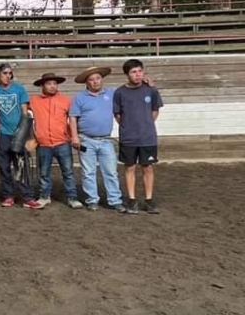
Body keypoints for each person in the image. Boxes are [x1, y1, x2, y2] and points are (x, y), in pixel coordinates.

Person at [69, 67, 127, 212]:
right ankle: (92, 200)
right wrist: (74, 136)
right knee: (88, 171)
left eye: (97, 78)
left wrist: (146, 82)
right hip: (86, 139)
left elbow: (129, 89)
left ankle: (115, 200)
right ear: (87, 83)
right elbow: (73, 117)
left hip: (106, 140)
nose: (95, 82)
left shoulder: (112, 93)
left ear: (101, 79)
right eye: (91, 80)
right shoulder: (79, 98)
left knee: (111, 171)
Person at [0, 63, 41, 209]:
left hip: (18, 133)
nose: (7, 76)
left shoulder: (19, 89)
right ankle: (8, 195)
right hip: (1, 134)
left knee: (23, 166)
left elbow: (24, 111)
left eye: (10, 73)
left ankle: (28, 197)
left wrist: (24, 133)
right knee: (4, 166)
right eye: (4, 73)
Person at [114, 59, 163, 214]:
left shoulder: (151, 90)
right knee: (129, 167)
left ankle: (148, 200)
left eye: (140, 71)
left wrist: (145, 124)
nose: (138, 75)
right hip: (128, 138)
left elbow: (155, 111)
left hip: (147, 138)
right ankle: (132, 199)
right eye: (133, 72)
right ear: (127, 74)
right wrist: (130, 126)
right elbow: (118, 115)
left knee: (147, 167)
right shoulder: (120, 92)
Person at [29, 73, 83, 209]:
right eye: (49, 83)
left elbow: (74, 119)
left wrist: (73, 135)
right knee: (43, 172)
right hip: (43, 143)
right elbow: (23, 111)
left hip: (62, 142)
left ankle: (72, 197)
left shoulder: (66, 100)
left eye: (54, 83)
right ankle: (44, 196)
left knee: (68, 172)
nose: (52, 86)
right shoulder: (33, 100)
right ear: (42, 85)